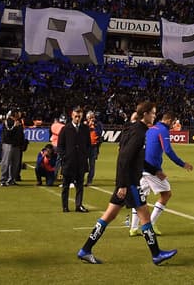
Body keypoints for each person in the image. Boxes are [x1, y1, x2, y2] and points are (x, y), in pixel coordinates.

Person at [75, 101, 177, 266]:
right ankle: (156, 254)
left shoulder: (134, 129)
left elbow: (135, 158)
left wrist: (154, 170)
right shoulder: (138, 133)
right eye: (152, 113)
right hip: (129, 183)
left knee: (109, 216)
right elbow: (124, 158)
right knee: (144, 216)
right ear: (144, 114)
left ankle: (85, 250)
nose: (154, 116)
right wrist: (123, 184)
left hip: (126, 182)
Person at [130, 110, 193, 235]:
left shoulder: (151, 128)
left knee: (140, 197)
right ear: (169, 121)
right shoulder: (163, 130)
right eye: (174, 123)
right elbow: (168, 150)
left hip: (141, 167)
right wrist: (182, 164)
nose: (174, 125)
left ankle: (133, 228)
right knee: (166, 194)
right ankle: (150, 225)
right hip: (153, 169)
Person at [58, 106, 91, 212]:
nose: (78, 118)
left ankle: (78, 205)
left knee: (80, 185)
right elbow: (60, 146)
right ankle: (65, 206)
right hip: (69, 162)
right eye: (76, 116)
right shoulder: (65, 129)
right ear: (72, 116)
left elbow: (88, 144)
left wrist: (85, 155)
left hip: (80, 162)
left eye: (79, 116)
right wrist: (65, 156)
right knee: (66, 186)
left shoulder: (85, 129)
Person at [0, 111, 24, 186]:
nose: (20, 115)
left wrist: (22, 143)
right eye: (18, 113)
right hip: (8, 144)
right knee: (6, 162)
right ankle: (3, 180)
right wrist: (15, 127)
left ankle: (11, 179)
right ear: (15, 114)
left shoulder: (18, 122)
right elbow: (7, 134)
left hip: (16, 145)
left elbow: (21, 134)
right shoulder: (7, 122)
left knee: (15, 164)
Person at [86, 111, 103, 185]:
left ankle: (89, 180)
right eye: (90, 117)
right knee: (82, 163)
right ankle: (79, 179)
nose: (91, 118)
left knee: (92, 164)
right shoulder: (85, 124)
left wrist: (94, 127)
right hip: (85, 146)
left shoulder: (98, 124)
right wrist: (88, 126)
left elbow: (99, 133)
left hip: (94, 146)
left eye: (92, 117)